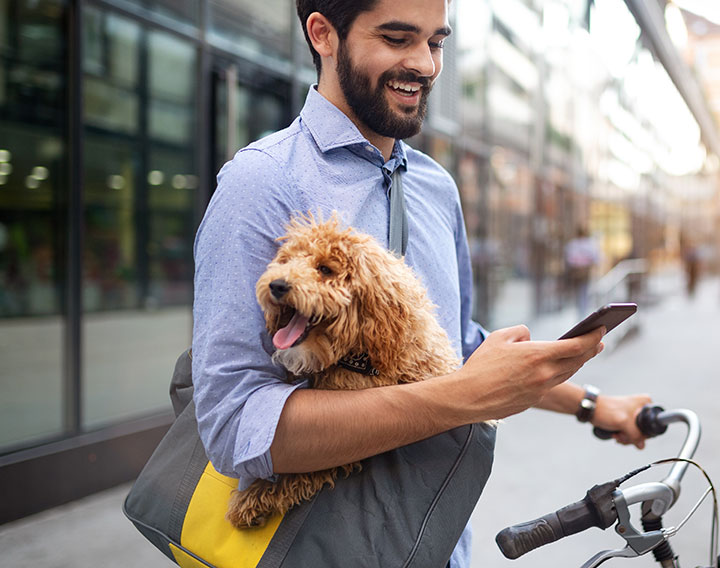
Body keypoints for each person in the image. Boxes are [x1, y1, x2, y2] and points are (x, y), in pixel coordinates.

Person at [190, 1, 651, 566]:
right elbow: (235, 425)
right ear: (323, 35)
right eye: (397, 38)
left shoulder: (437, 186)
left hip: (437, 545)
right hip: (313, 549)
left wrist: (593, 405)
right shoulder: (261, 181)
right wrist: (457, 400)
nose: (426, 65)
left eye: (435, 43)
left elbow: (456, 353)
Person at [564, 227, 600, 314]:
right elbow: (596, 258)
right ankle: (583, 310)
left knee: (579, 292)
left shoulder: (572, 244)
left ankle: (581, 310)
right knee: (584, 291)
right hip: (584, 272)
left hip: (577, 272)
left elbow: (569, 259)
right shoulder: (589, 244)